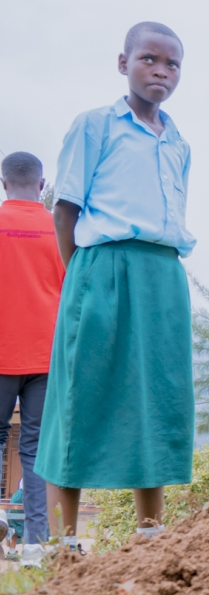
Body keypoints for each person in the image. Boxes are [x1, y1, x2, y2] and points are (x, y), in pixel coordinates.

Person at [37, 22, 194, 549]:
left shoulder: (178, 143)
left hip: (163, 275)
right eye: (149, 59)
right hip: (101, 268)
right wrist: (81, 280)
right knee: (82, 395)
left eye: (172, 64)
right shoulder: (95, 126)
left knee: (157, 397)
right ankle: (62, 546)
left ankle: (151, 537)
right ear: (123, 63)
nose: (161, 71)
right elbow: (65, 210)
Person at [0, 152, 60, 553]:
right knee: (37, 449)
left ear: (4, 184)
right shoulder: (62, 228)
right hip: (47, 357)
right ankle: (38, 548)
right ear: (42, 185)